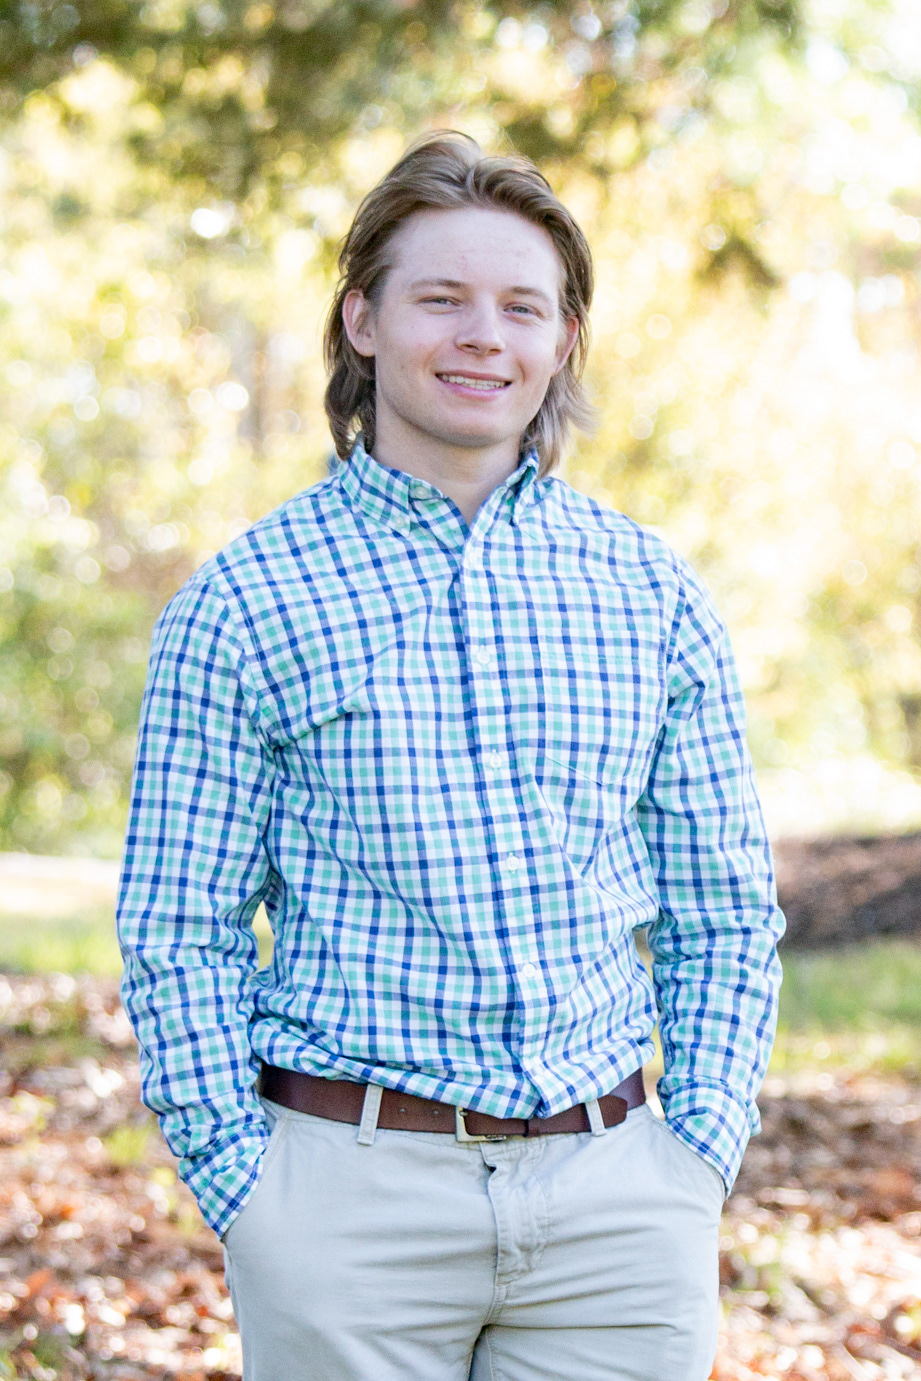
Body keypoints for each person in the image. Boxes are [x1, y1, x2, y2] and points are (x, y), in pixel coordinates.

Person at [117, 131, 784, 1381]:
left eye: (522, 306)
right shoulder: (244, 602)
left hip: (619, 1206)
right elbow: (179, 927)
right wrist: (246, 1186)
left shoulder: (650, 593)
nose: (485, 336)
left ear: (564, 341)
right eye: (442, 299)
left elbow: (724, 910)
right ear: (364, 320)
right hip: (344, 1206)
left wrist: (697, 1150)